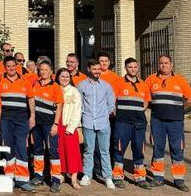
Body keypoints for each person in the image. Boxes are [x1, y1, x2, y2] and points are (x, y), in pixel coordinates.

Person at [145, 54, 191, 192]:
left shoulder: (180, 80)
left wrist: (180, 109)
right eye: (161, 63)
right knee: (157, 149)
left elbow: (190, 99)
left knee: (177, 150)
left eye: (166, 63)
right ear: (158, 65)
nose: (164, 65)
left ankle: (179, 180)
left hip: (176, 122)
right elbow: (145, 97)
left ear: (171, 64)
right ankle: (158, 178)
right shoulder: (150, 79)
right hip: (157, 121)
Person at [112, 57, 151, 190]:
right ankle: (117, 177)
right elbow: (113, 102)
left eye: (135, 67)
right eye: (130, 67)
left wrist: (139, 111)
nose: (133, 69)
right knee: (119, 149)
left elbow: (146, 101)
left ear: (137, 67)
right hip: (122, 123)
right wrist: (119, 115)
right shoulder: (118, 83)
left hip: (139, 123)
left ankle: (140, 178)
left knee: (139, 150)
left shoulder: (143, 84)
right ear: (125, 68)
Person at [0, 56, 34, 192]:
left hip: (22, 120)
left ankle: (22, 179)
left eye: (14, 66)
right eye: (9, 66)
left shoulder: (25, 80)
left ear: (17, 66)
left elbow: (30, 99)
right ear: (5, 67)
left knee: (21, 148)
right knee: (8, 148)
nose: (12, 68)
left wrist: (32, 117)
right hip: (6, 120)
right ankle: (9, 178)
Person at [77, 58, 116, 189]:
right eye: (94, 69)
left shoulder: (106, 86)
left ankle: (108, 177)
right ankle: (87, 175)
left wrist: (104, 115)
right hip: (88, 122)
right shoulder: (82, 86)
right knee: (89, 150)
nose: (97, 71)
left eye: (99, 69)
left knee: (105, 151)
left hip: (103, 123)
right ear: (89, 69)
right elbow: (79, 105)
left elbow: (111, 105)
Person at [29, 60, 64, 192]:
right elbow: (31, 102)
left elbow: (59, 107)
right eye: (41, 69)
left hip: (50, 124)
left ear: (51, 72)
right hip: (37, 124)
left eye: (46, 70)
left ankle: (55, 179)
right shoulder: (35, 84)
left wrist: (55, 124)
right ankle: (38, 176)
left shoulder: (56, 87)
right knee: (37, 150)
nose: (43, 72)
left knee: (53, 151)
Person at [55, 67, 83, 190]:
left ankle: (73, 178)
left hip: (69, 125)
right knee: (59, 151)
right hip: (57, 124)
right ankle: (61, 174)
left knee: (72, 152)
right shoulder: (55, 89)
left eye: (67, 77)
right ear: (58, 77)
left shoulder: (74, 91)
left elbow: (77, 111)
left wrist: (71, 127)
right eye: (62, 76)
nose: (65, 79)